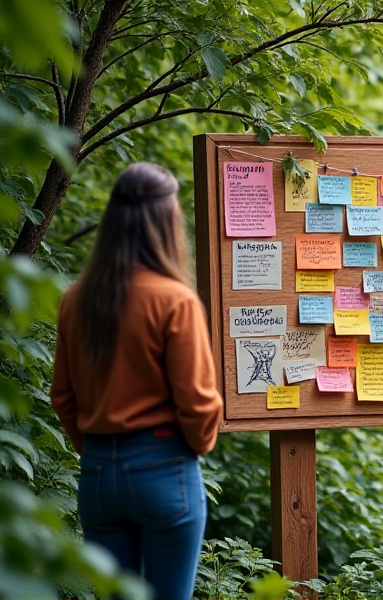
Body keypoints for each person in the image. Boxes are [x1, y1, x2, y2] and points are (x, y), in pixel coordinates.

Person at [50, 162, 224, 600]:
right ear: (166, 222)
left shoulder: (76, 299)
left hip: (98, 475)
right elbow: (199, 403)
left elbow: (63, 398)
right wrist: (197, 445)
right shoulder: (174, 300)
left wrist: (99, 452)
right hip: (164, 467)